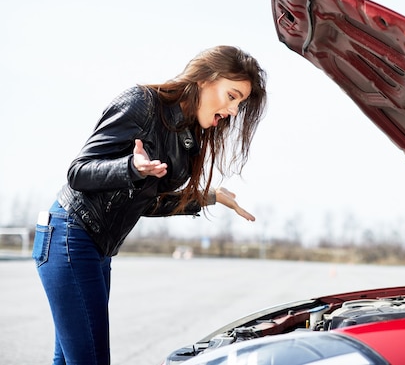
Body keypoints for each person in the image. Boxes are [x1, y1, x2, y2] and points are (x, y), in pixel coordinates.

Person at [32, 45, 267, 365]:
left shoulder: (187, 136)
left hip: (96, 247)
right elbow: (78, 173)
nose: (234, 111)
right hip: (69, 236)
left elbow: (147, 204)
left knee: (74, 357)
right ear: (205, 80)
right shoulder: (142, 103)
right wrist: (130, 167)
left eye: (240, 103)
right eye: (232, 96)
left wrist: (206, 196)